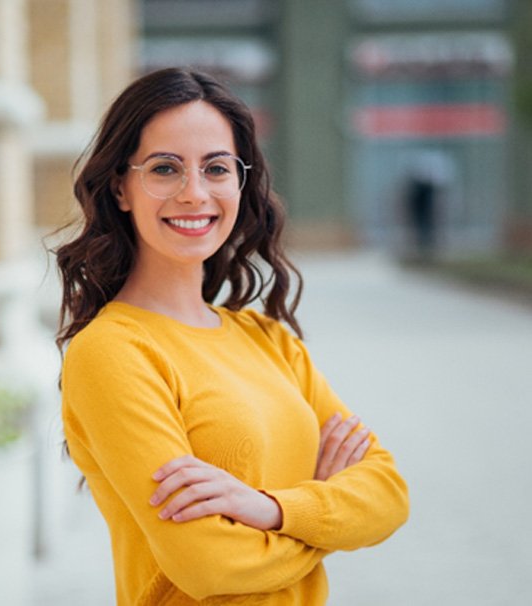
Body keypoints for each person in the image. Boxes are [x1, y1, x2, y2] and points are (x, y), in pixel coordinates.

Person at [55, 67, 409, 606]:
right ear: (121, 189)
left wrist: (269, 508)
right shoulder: (113, 353)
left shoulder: (268, 338)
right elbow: (209, 566)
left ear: (240, 184)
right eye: (165, 168)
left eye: (216, 168)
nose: (194, 193)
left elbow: (388, 494)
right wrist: (326, 519)